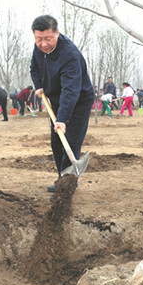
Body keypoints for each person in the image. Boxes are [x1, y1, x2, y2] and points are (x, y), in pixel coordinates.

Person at [30, 15, 94, 192]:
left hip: (78, 101)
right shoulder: (39, 49)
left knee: (70, 141)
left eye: (48, 39)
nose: (43, 44)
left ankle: (66, 188)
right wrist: (39, 86)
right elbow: (34, 68)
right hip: (57, 100)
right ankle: (63, 179)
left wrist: (63, 119)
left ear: (57, 33)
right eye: (39, 39)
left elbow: (71, 90)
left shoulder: (70, 55)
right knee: (57, 143)